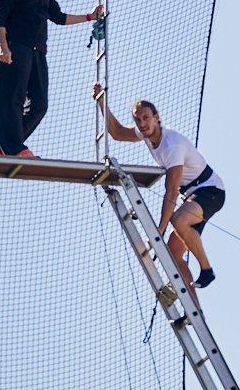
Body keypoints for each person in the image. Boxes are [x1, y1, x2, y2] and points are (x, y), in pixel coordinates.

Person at [93, 85, 224, 291]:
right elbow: (117, 132)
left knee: (178, 220)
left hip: (210, 191)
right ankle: (194, 305)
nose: (142, 124)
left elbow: (171, 192)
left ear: (157, 118)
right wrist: (101, 100)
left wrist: (158, 233)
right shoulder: (145, 133)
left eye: (146, 118)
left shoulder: (172, 145)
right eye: (137, 119)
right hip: (192, 195)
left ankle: (207, 270)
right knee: (173, 253)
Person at [0, 0, 102, 157]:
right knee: (12, 99)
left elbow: (58, 17)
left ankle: (5, 148)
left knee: (39, 105)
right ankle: (14, 147)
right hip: (14, 47)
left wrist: (89, 16)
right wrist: (3, 46)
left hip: (38, 52)